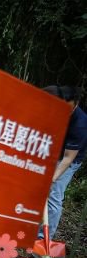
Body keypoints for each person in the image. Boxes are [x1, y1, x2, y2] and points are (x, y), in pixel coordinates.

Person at [38, 85, 86, 239]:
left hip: (68, 160)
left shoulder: (80, 124)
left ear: (76, 103)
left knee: (53, 195)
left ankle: (43, 238)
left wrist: (52, 178)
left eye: (69, 109)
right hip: (52, 151)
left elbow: (68, 158)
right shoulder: (54, 107)